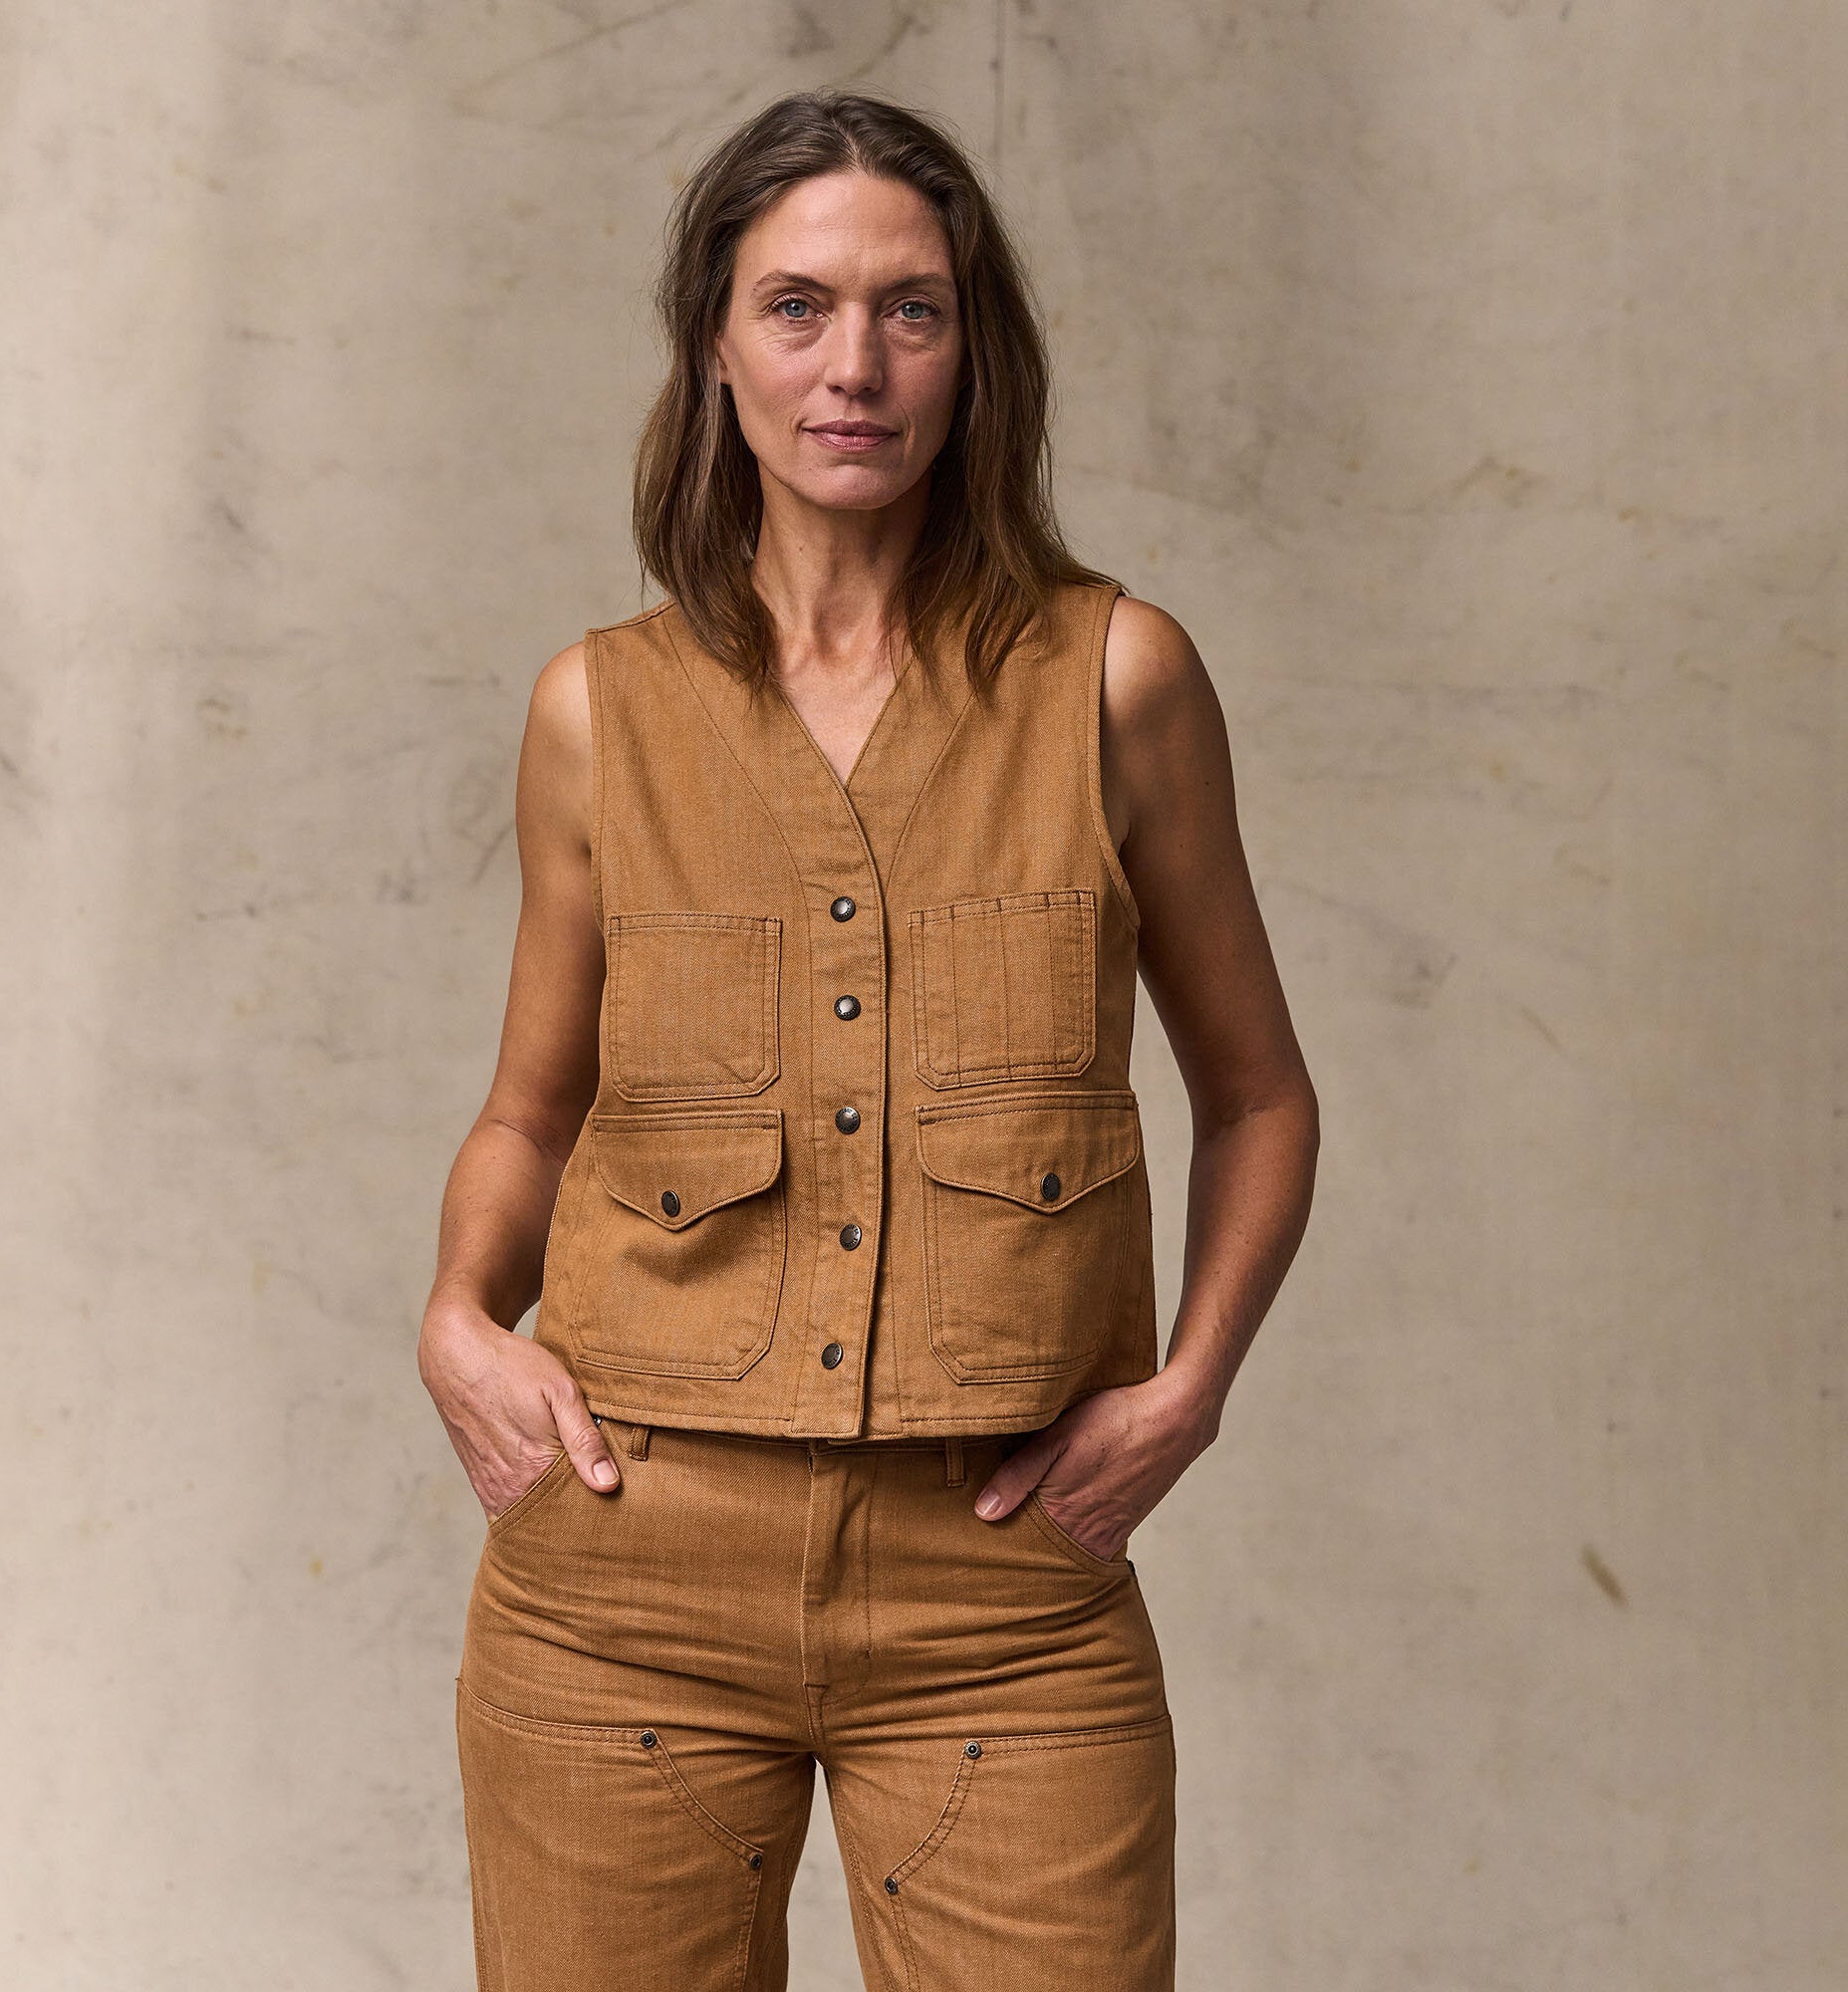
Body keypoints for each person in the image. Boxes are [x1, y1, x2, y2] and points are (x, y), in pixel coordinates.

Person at [417, 88, 1319, 1992]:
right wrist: (457, 1320)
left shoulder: (1117, 679)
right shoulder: (597, 712)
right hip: (624, 1585)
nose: (856, 366)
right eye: (797, 307)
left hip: (1004, 1597)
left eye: (913, 309)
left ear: (975, 354)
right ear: (714, 344)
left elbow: (1258, 1096)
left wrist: (1193, 1386)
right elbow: (530, 1112)